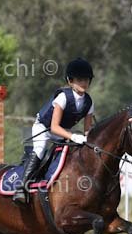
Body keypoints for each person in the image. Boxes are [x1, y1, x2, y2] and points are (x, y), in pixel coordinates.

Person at [13, 58, 95, 204]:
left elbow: (88, 130)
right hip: (44, 127)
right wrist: (73, 136)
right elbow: (54, 127)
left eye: (87, 79)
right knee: (40, 150)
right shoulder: (63, 97)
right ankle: (22, 188)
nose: (84, 83)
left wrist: (88, 141)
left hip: (63, 130)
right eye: (80, 79)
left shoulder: (89, 102)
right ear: (70, 81)